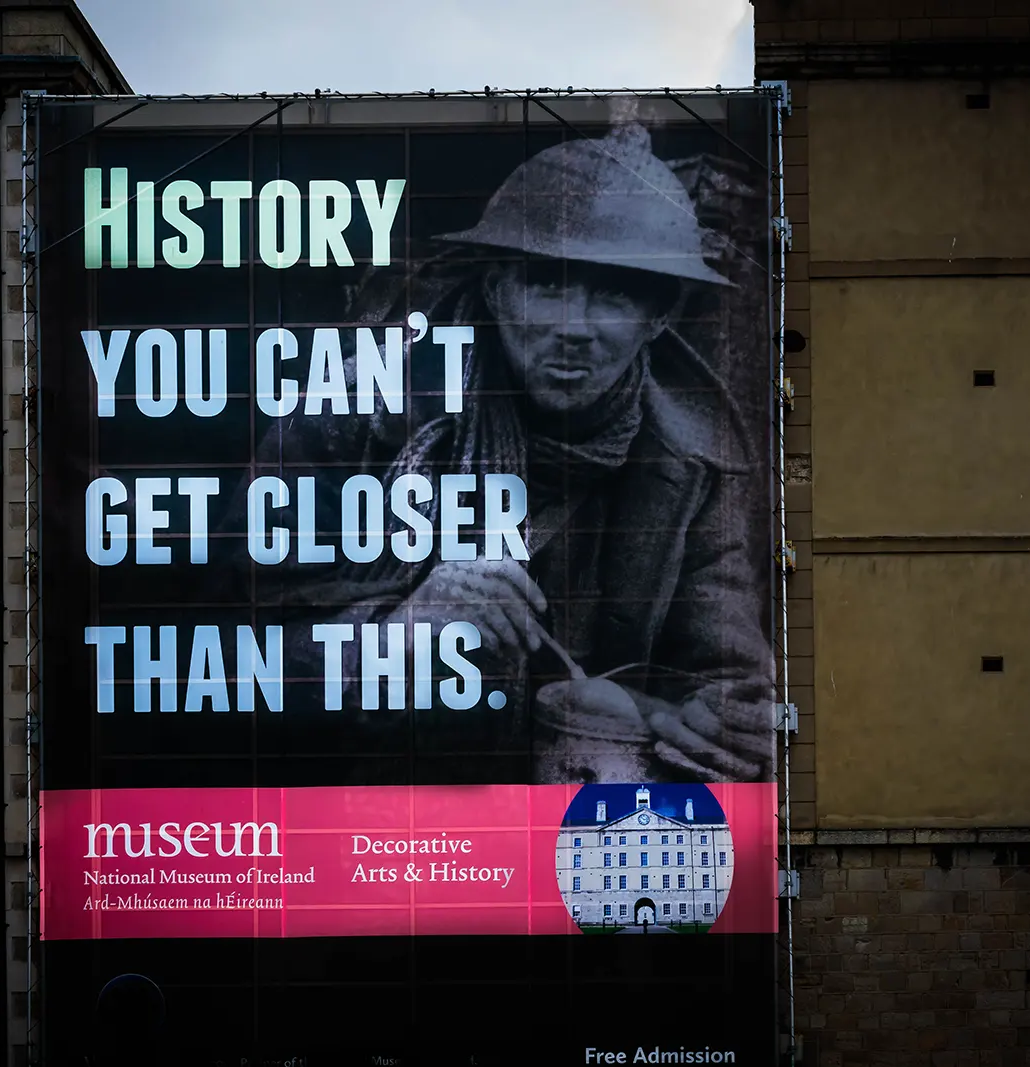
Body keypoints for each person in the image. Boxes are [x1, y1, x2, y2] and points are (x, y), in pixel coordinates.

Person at [228, 122, 775, 784]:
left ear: (659, 316)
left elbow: (726, 683)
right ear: (495, 289)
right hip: (375, 826)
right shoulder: (358, 410)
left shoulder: (693, 460)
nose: (573, 326)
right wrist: (400, 629)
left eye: (615, 292)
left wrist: (681, 721)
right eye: (546, 284)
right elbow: (217, 659)